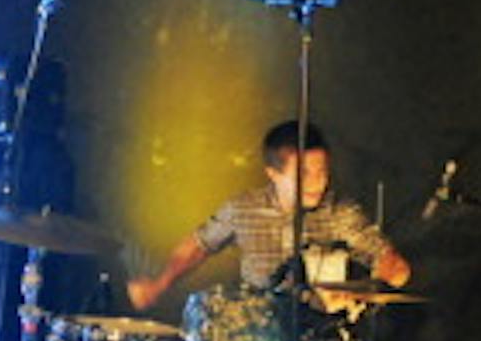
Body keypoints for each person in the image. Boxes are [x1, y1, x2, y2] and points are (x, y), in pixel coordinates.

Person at [126, 120, 411, 310]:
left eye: (322, 172)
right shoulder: (244, 208)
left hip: (321, 334)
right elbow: (199, 245)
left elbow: (389, 263)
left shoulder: (341, 213)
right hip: (259, 332)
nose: (317, 182)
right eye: (303, 175)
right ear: (273, 174)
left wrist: (384, 276)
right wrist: (160, 284)